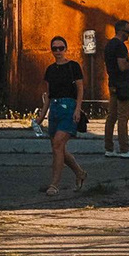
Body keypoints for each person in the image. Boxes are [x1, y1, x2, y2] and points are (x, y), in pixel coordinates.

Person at [41, 37, 88, 197]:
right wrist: (41, 116)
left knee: (58, 144)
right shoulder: (50, 70)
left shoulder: (73, 66)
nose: (58, 51)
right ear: (52, 50)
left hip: (69, 108)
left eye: (61, 48)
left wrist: (77, 109)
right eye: (55, 49)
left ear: (66, 49)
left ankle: (54, 184)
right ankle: (80, 173)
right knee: (57, 148)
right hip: (54, 109)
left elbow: (80, 89)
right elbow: (48, 94)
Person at [100, 22, 129, 160]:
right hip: (123, 85)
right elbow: (123, 66)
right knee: (123, 117)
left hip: (113, 83)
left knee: (111, 117)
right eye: (128, 31)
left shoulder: (109, 45)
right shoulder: (120, 46)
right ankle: (124, 149)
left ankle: (109, 148)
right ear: (122, 32)